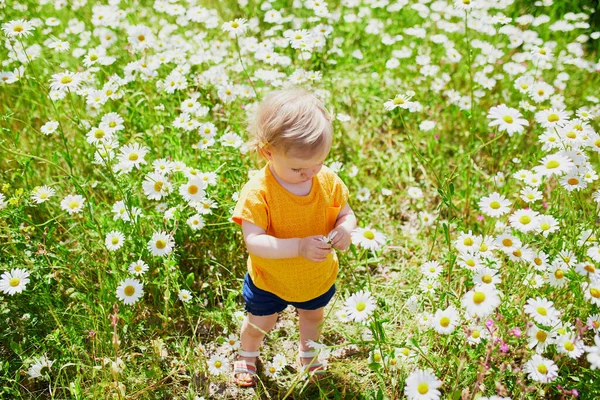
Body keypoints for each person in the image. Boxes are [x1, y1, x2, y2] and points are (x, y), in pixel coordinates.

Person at [231, 87, 357, 387]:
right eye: (299, 168)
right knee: (261, 323)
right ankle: (247, 354)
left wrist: (344, 230)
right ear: (267, 152)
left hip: (314, 276)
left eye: (319, 163)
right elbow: (254, 241)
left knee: (313, 318)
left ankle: (309, 354)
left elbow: (347, 213)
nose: (311, 174)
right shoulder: (258, 192)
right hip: (270, 279)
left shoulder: (325, 181)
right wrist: (298, 246)